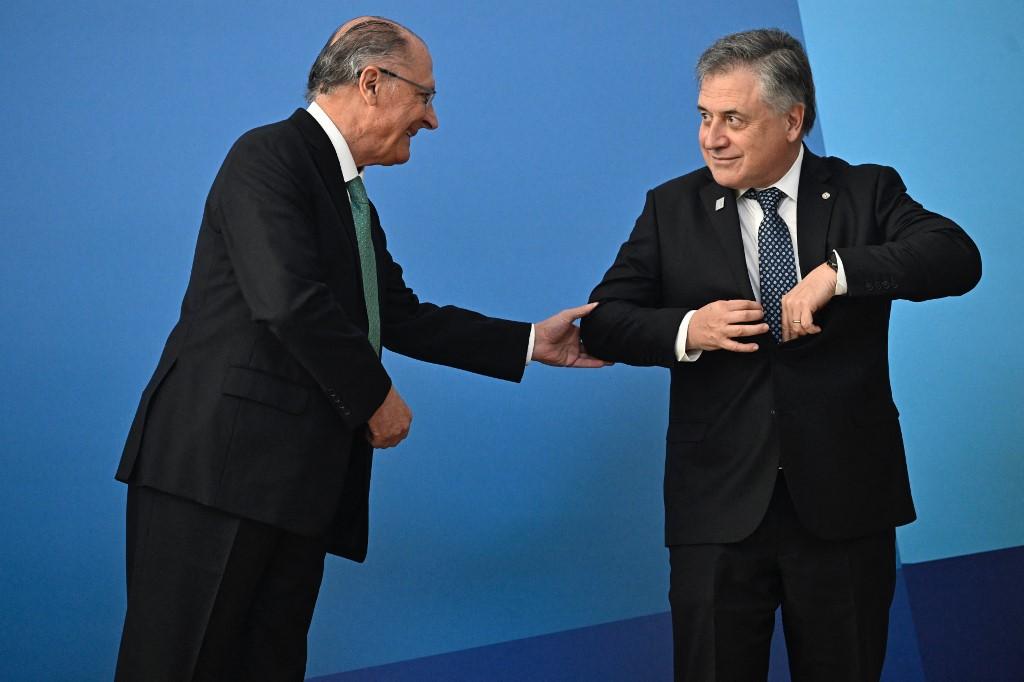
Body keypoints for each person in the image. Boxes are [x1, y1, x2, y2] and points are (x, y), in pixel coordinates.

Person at [114, 16, 605, 681]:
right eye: (425, 96)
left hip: (291, 488)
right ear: (372, 82)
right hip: (217, 476)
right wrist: (375, 398)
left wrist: (527, 342)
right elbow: (286, 299)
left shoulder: (351, 199)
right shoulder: (266, 156)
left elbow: (396, 314)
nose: (432, 120)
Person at [581, 28, 980, 681]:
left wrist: (838, 272)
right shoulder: (671, 208)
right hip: (717, 509)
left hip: (846, 505)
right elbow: (603, 324)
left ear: (792, 121)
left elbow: (955, 258)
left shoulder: (867, 193)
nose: (712, 137)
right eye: (705, 117)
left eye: (733, 119)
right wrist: (690, 329)